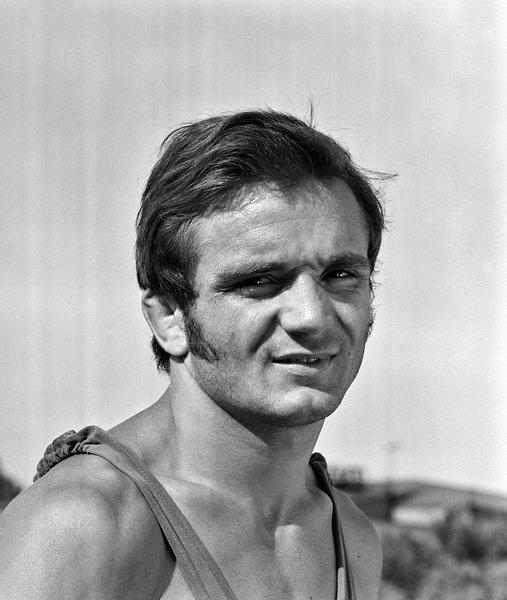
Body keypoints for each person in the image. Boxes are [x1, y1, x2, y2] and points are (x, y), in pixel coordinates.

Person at [0, 109, 385, 599]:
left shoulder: (351, 536)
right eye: (259, 281)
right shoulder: (83, 529)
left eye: (340, 275)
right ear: (169, 318)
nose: (312, 316)